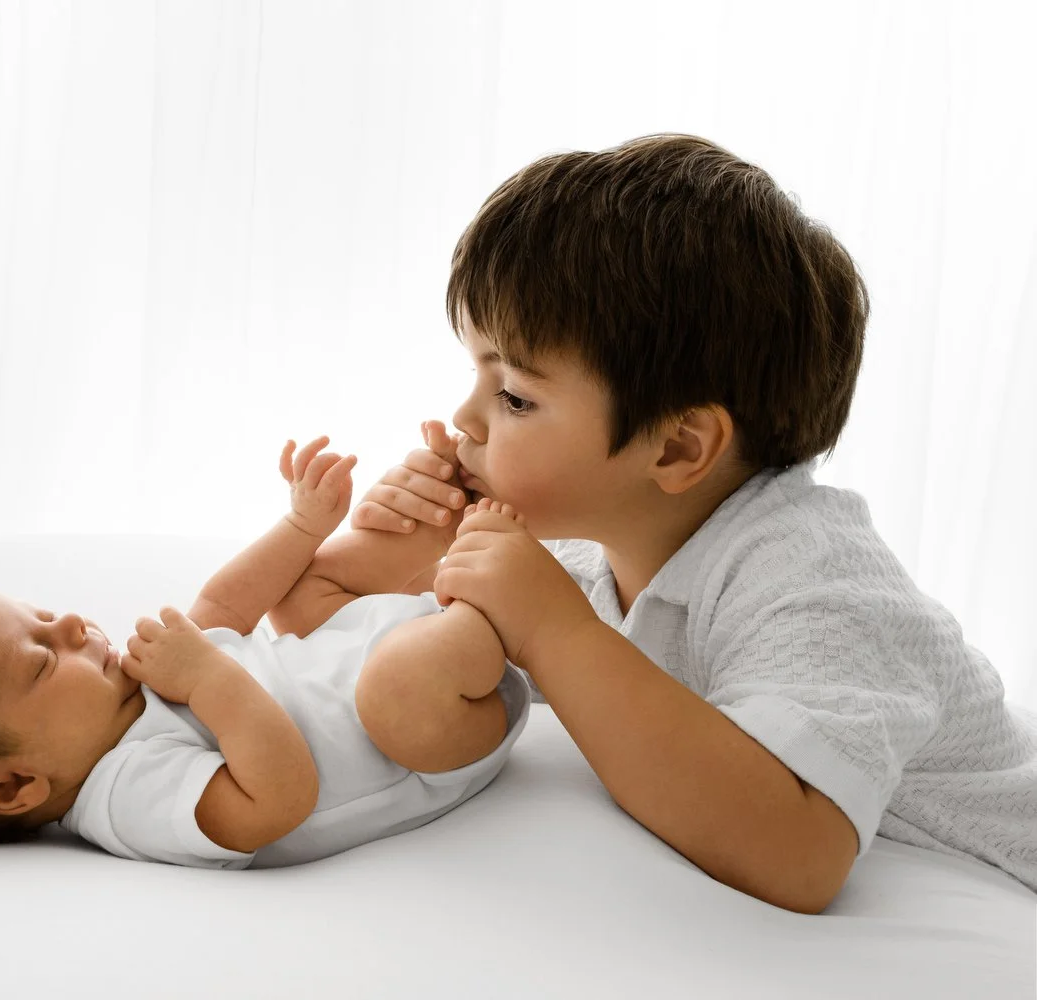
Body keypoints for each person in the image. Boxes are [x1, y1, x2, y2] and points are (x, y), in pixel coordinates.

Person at [328, 133, 1037, 912]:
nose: (463, 418)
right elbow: (354, 654)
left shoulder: (815, 577)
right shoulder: (588, 556)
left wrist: (555, 631)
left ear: (678, 448)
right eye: (476, 373)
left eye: (516, 397)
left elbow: (798, 854)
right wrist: (397, 557)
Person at [0, 436, 531, 869]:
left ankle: (451, 527)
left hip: (386, 654)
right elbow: (280, 798)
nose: (71, 624)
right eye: (42, 660)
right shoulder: (126, 796)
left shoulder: (131, 691)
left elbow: (222, 608)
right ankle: (496, 600)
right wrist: (206, 679)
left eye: (43, 615)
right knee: (396, 687)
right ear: (11, 787)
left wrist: (303, 526)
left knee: (304, 590)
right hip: (431, 738)